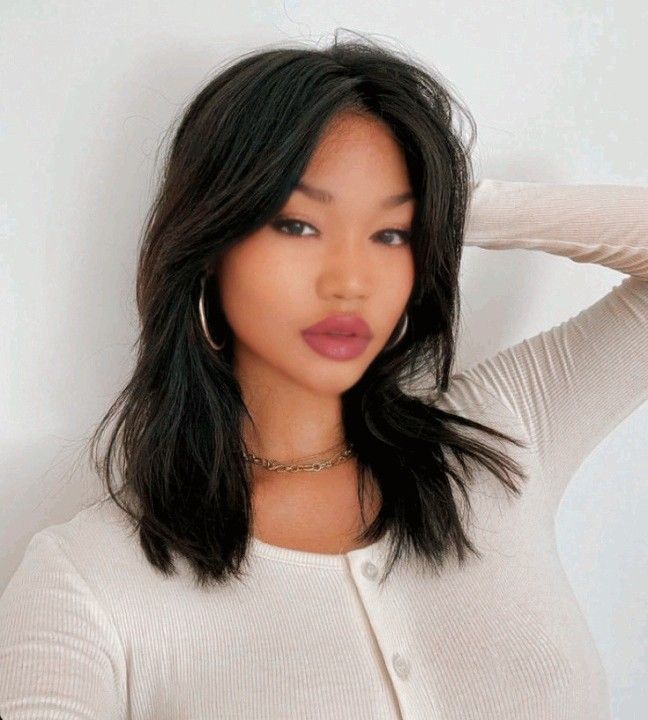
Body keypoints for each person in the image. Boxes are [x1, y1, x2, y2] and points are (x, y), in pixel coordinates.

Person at [1, 31, 647, 720]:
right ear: (211, 240)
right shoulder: (89, 580)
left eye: (390, 236)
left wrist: (448, 201)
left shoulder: (501, 439)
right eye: (299, 226)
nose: (351, 281)